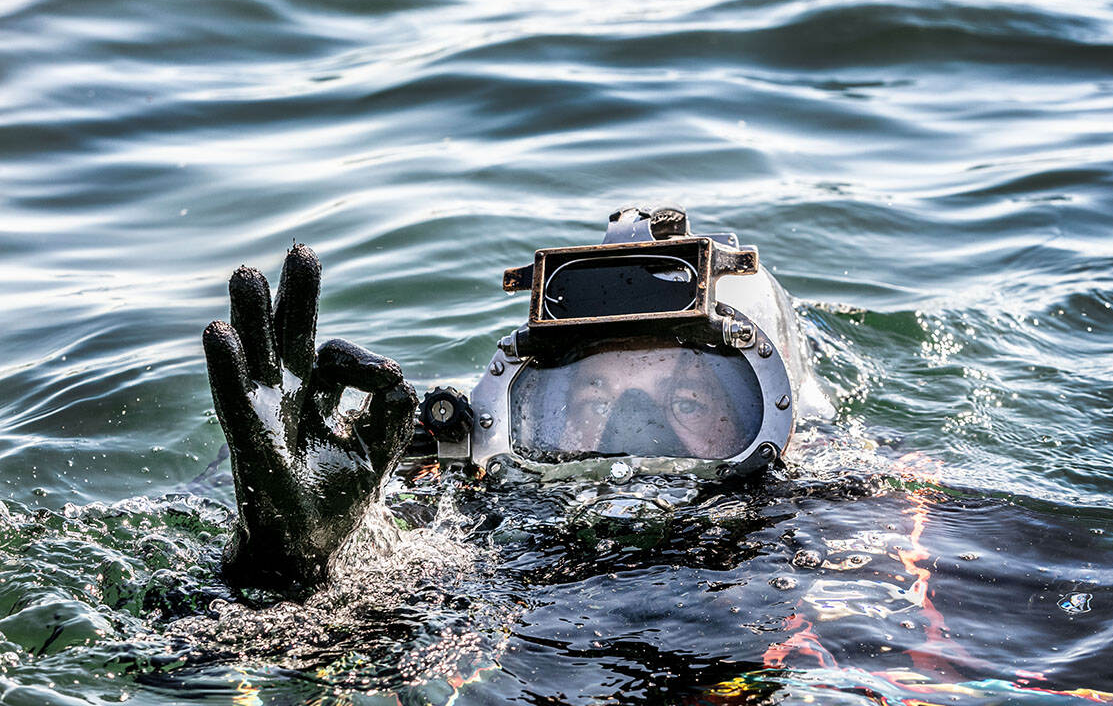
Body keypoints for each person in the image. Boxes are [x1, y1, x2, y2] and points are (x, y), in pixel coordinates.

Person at [203, 206, 809, 586]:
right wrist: (289, 564)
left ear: (769, 423)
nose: (633, 435)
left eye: (687, 402)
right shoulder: (472, 522)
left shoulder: (824, 523)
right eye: (594, 400)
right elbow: (188, 664)